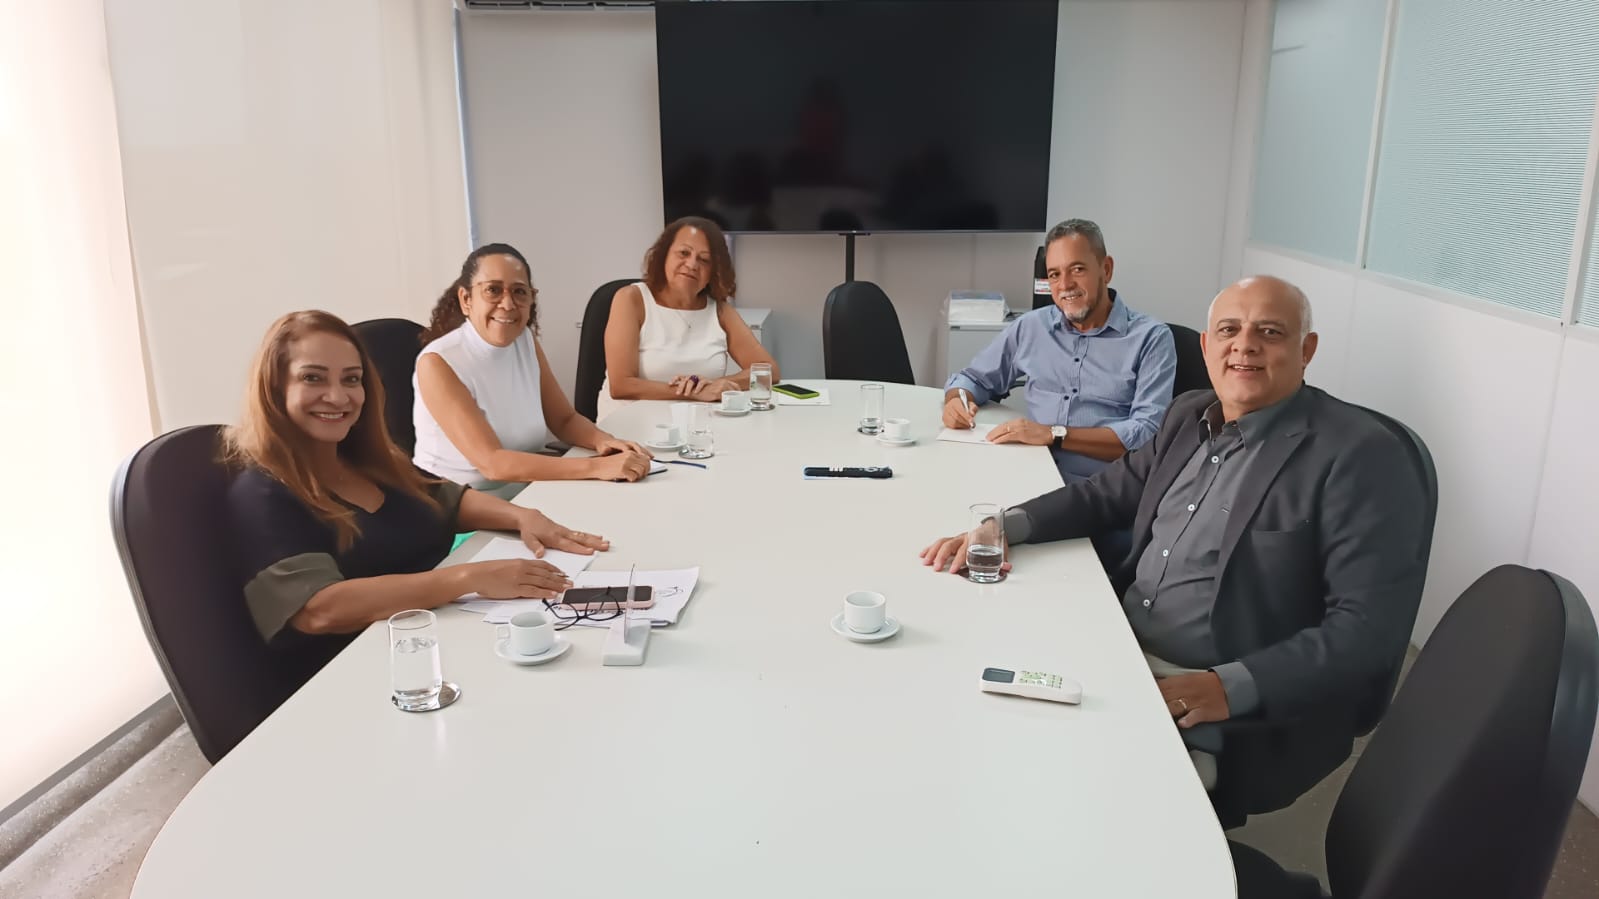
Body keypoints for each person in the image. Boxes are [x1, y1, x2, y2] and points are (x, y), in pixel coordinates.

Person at [920, 276, 1427, 819]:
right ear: (1207, 348)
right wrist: (1005, 524)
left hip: (1207, 694)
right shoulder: (1191, 413)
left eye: (1270, 332)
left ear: (1306, 350)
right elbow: (1105, 495)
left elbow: (1367, 631)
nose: (1245, 345)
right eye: (1229, 330)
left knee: (1046, 799)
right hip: (1118, 645)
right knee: (965, 699)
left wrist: (1223, 688)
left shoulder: (1360, 456)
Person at [226, 311, 609, 684]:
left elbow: (444, 498)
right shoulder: (262, 492)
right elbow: (320, 609)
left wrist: (523, 516)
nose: (337, 396)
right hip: (368, 679)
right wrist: (468, 578)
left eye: (352, 379)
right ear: (275, 388)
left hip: (443, 642)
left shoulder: (362, 458)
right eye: (313, 378)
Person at [943, 218, 1176, 485]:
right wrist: (956, 400)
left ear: (1106, 269)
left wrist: (1055, 434)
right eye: (1054, 274)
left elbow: (1147, 433)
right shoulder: (1032, 327)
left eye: (1077, 269)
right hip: (1028, 471)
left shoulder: (1152, 338)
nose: (1064, 285)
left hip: (1103, 487)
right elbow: (972, 379)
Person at [414, 244, 653, 498]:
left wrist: (603, 441)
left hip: (528, 490)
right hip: (456, 508)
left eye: (519, 292)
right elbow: (492, 464)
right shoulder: (437, 362)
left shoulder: (523, 339)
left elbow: (564, 420)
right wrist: (597, 466)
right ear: (466, 299)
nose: (507, 304)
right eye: (493, 290)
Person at [598, 216, 778, 420]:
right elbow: (621, 385)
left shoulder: (720, 311)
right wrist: (695, 392)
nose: (692, 264)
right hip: (628, 430)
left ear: (714, 271)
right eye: (684, 253)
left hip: (697, 429)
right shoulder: (631, 299)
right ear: (663, 255)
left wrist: (722, 384)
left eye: (704, 260)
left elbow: (769, 370)